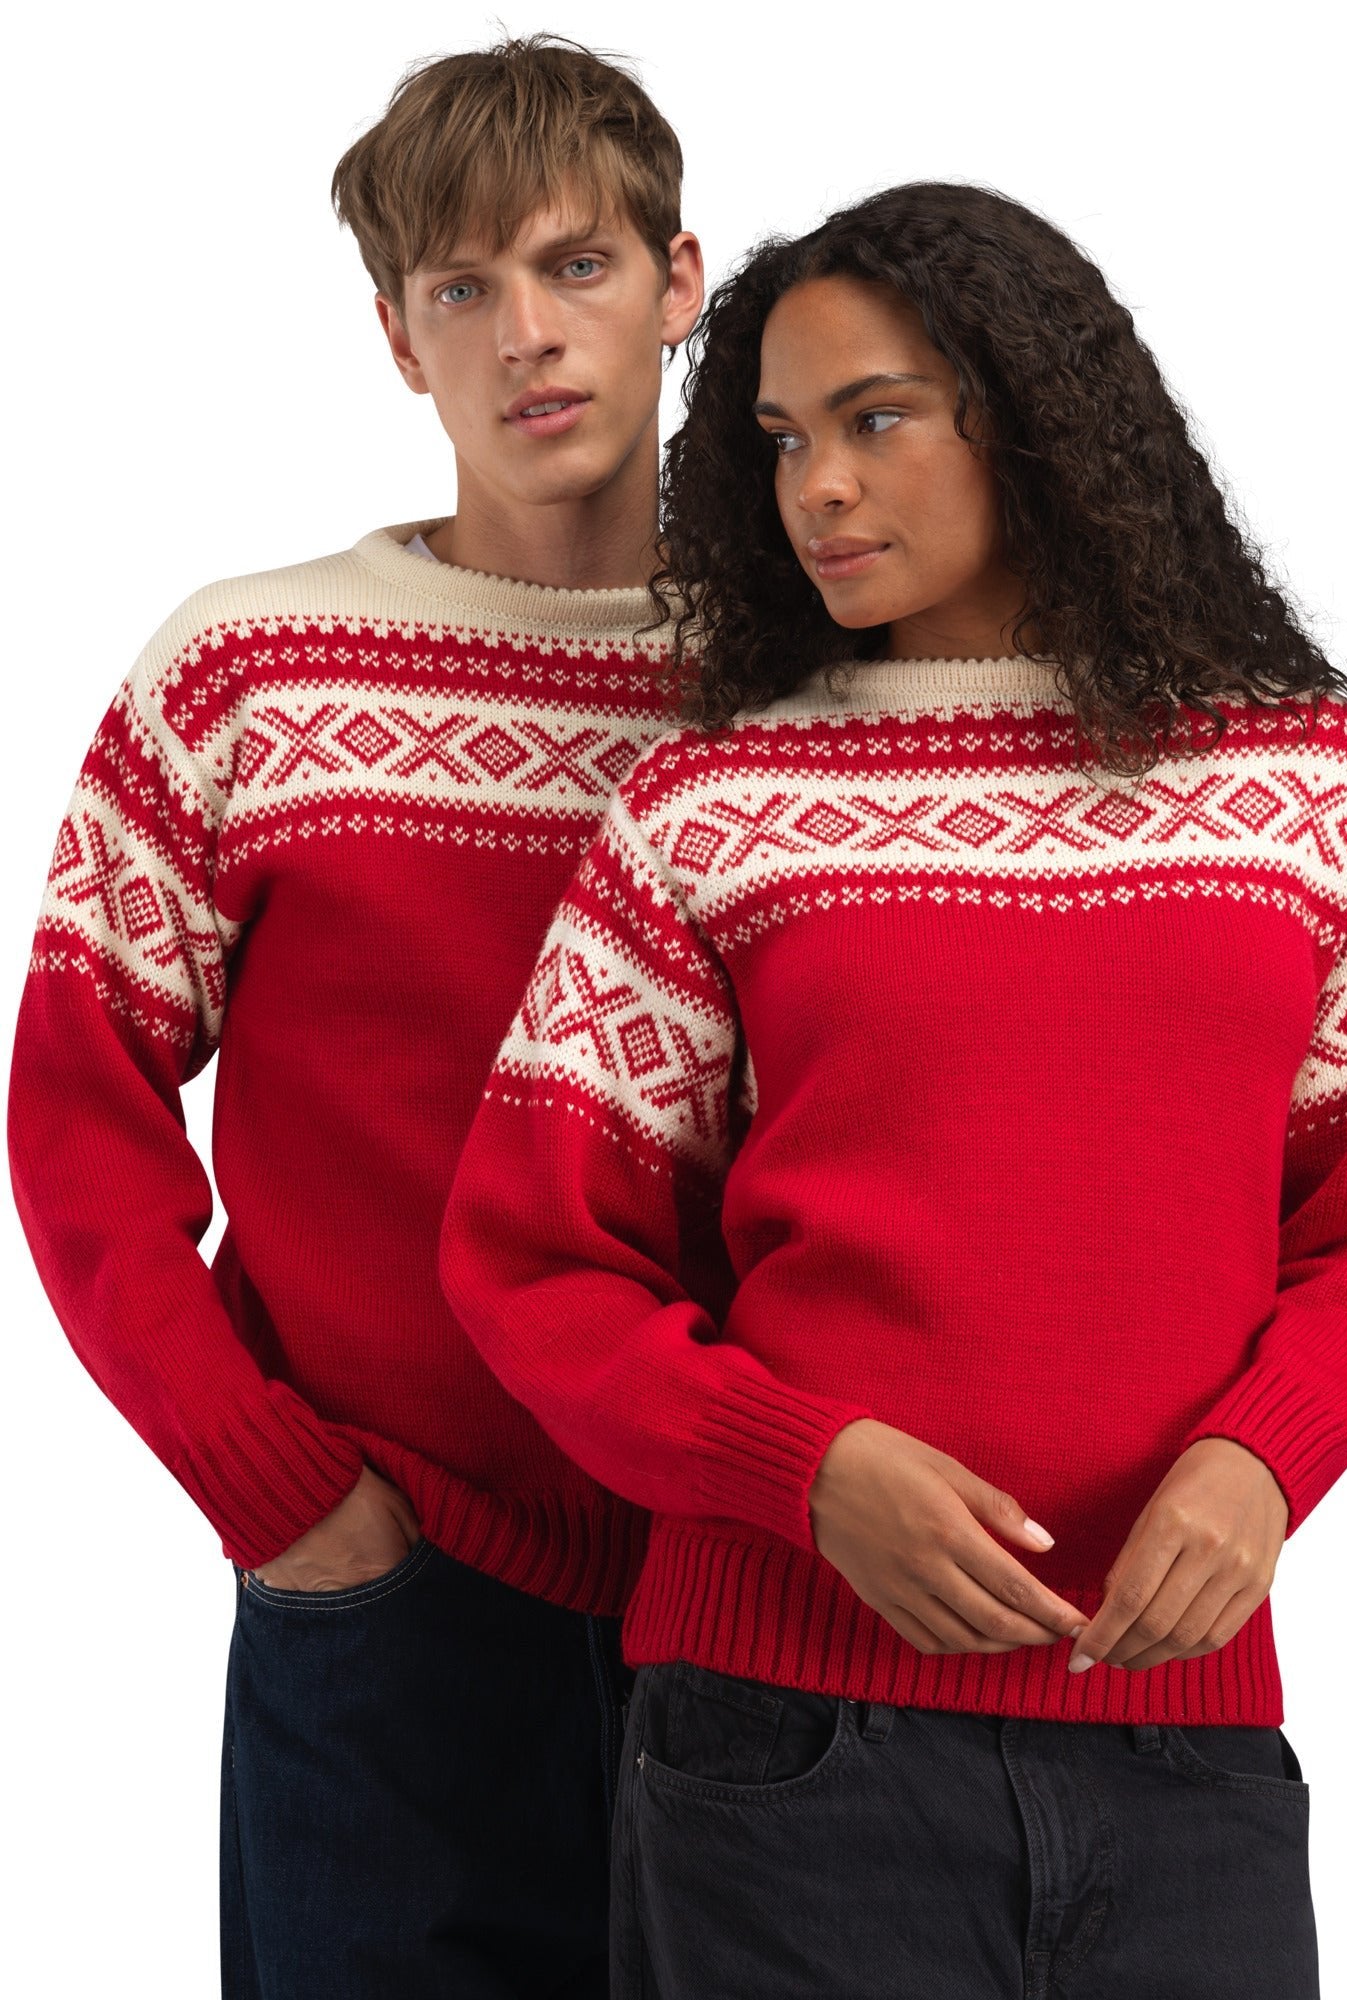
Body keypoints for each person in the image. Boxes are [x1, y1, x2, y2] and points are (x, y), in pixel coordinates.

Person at [439, 181, 1347, 1997]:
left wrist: (1268, 1452)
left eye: (877, 420)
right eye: (783, 439)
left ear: (1034, 421)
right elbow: (535, 1262)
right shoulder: (711, 810)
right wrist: (802, 1470)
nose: (818, 489)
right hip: (782, 1748)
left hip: (1184, 1741)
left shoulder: (1310, 787)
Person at [7, 35, 709, 1999]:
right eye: (461, 288)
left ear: (680, 282)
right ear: (400, 340)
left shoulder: (794, 696)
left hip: (752, 1601)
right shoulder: (253, 672)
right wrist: (276, 1485)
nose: (526, 335)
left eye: (576, 265)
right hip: (391, 1586)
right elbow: (75, 1104)